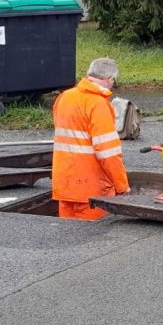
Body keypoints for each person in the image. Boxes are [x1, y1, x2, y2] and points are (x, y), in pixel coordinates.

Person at [52, 58, 130, 220]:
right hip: (91, 188)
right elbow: (108, 153)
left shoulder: (64, 98)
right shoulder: (98, 104)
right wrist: (122, 186)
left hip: (64, 185)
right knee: (94, 240)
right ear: (110, 79)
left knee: (67, 237)